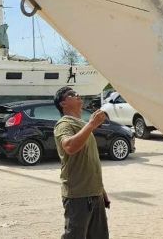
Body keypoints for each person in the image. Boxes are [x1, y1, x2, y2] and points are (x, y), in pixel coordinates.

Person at [53, 86, 110, 239]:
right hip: (78, 195)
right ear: (63, 103)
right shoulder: (64, 124)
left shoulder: (81, 124)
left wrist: (101, 189)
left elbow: (90, 159)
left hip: (94, 193)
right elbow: (69, 147)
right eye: (71, 94)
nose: (77, 95)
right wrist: (91, 125)